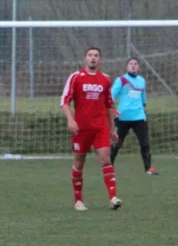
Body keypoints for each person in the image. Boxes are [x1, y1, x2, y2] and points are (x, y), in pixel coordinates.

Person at [61, 46, 122, 211]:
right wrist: (70, 120)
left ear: (99, 59)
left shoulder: (105, 79)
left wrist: (112, 129)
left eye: (96, 55)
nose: (93, 58)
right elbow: (65, 101)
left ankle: (113, 197)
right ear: (85, 59)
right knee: (79, 162)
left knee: (105, 159)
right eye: (90, 55)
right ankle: (78, 201)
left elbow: (109, 105)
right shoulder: (76, 77)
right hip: (81, 128)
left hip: (100, 127)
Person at [110, 58, 158, 175]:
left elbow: (143, 99)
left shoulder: (141, 80)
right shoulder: (121, 80)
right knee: (117, 143)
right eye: (131, 64)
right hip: (123, 117)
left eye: (135, 64)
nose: (133, 66)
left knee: (145, 143)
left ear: (138, 67)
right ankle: (108, 168)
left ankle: (148, 169)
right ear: (127, 67)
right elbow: (110, 96)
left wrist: (144, 113)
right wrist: (113, 110)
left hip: (139, 117)